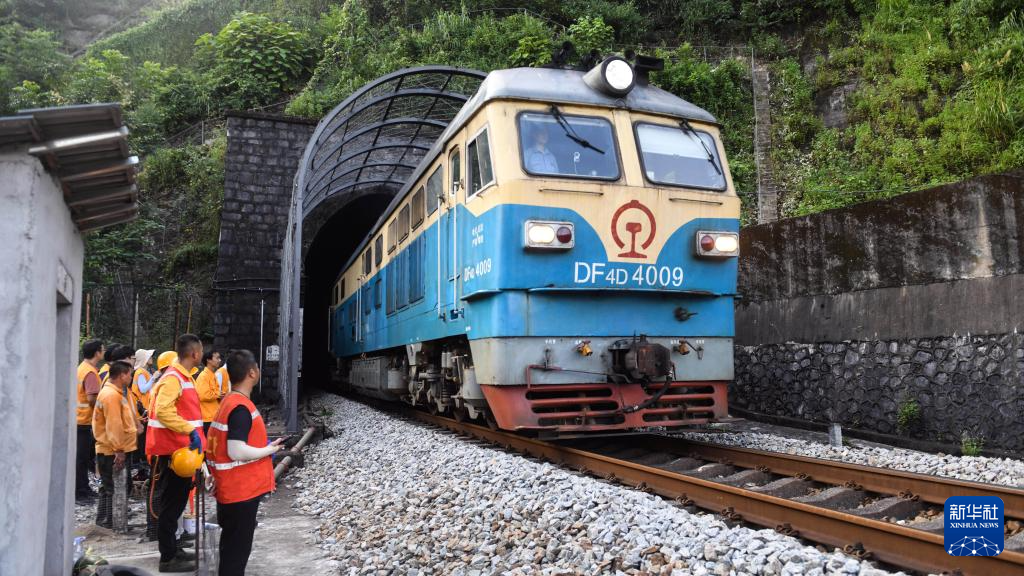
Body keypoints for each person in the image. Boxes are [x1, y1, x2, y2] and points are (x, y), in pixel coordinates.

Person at [208, 349, 284, 576]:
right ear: (252, 373)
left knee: (232, 548)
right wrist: (268, 450)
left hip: (231, 490)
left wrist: (266, 446)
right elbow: (236, 450)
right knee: (236, 553)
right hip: (240, 491)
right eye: (257, 367)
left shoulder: (229, 402)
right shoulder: (241, 408)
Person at [146, 334, 206, 573]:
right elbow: (163, 411)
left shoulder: (182, 377)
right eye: (201, 351)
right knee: (171, 506)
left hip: (180, 451)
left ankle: (173, 549)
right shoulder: (174, 379)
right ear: (194, 353)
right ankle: (168, 557)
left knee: (176, 503)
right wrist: (188, 430)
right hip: (173, 452)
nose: (202, 354)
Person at [92, 361, 141, 528]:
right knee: (113, 487)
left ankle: (105, 522)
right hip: (111, 450)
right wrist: (119, 450)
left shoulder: (114, 393)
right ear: (122, 375)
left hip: (111, 448)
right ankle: (111, 523)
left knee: (108, 487)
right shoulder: (111, 396)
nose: (131, 377)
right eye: (130, 374)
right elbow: (114, 425)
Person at [76, 339, 106, 501]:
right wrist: (103, 411)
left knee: (82, 458)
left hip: (79, 418)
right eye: (102, 349)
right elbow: (92, 398)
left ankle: (83, 487)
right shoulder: (90, 373)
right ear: (97, 353)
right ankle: (80, 491)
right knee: (82, 459)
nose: (104, 351)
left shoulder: (81, 368)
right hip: (85, 420)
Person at [196, 350, 225, 436]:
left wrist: (219, 395)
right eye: (217, 358)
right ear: (208, 360)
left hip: (213, 416)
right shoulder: (203, 376)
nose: (219, 360)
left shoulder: (212, 375)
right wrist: (218, 394)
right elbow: (203, 395)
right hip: (206, 418)